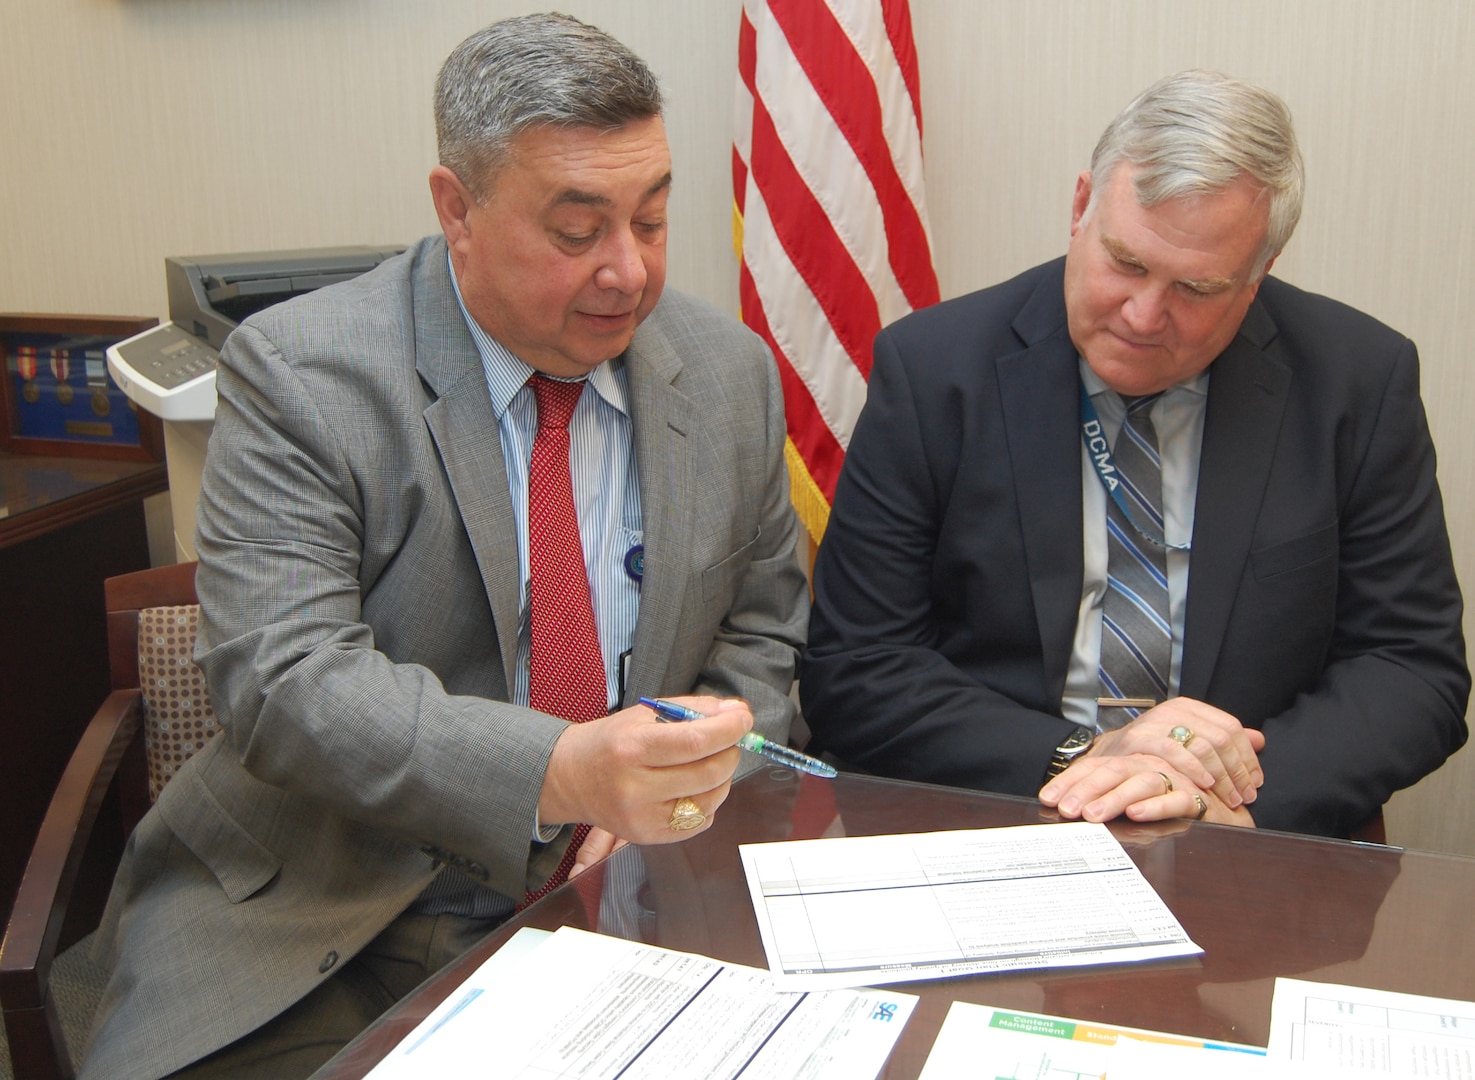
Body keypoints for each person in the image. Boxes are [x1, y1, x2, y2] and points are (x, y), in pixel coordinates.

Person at [81, 14, 808, 1079]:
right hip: (326, 914)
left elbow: (760, 631)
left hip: (630, 892)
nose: (627, 273)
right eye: (576, 231)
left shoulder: (727, 371)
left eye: (651, 220)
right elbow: (280, 682)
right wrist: (560, 774)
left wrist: (691, 776)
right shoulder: (303, 373)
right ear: (454, 209)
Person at [801, 70, 1467, 839]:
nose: (1145, 316)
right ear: (1080, 206)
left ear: (1260, 274)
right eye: (1126, 262)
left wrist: (1226, 795)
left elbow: (1410, 670)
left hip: (1248, 837)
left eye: (1197, 287)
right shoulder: (934, 370)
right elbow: (856, 668)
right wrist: (1089, 756)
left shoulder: (1355, 381)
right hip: (1002, 819)